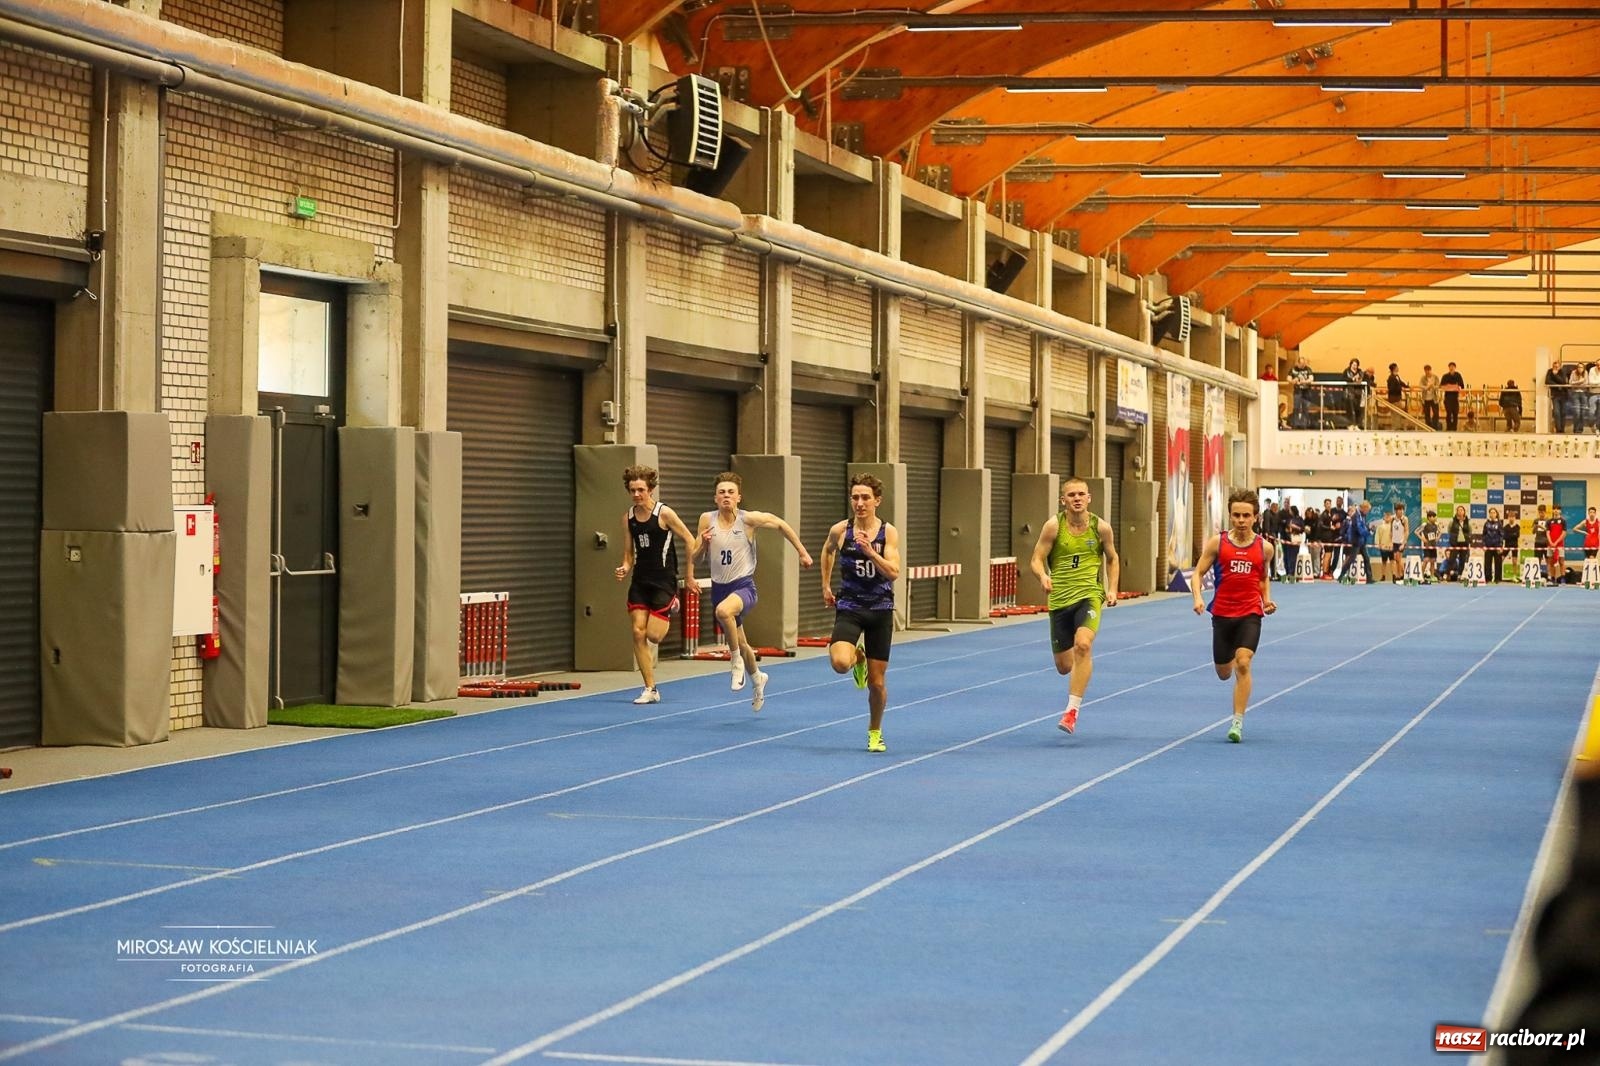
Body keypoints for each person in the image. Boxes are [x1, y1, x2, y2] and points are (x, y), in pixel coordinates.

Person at [695, 471, 813, 712]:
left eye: (731, 492)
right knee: (742, 642)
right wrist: (703, 545)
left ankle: (735, 661)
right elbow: (695, 557)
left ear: (739, 497)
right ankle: (758, 678)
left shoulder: (748, 520)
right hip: (719, 588)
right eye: (721, 492)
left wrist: (802, 551)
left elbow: (780, 524)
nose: (726, 496)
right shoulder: (707, 520)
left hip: (743, 587)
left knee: (723, 612)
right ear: (715, 498)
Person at [1030, 477, 1120, 735]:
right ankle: (1081, 669)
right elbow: (1036, 559)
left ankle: (1072, 711)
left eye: (1081, 494)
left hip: (1089, 595)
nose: (1077, 498)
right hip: (1060, 599)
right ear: (1063, 500)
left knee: (1083, 645)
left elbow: (1112, 558)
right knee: (1064, 666)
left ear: (1089, 498)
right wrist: (1043, 575)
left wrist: (1112, 588)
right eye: (1071, 495)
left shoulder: (1100, 528)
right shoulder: (1053, 526)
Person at [821, 474, 901, 752]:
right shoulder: (840, 530)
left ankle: (875, 731)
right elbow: (828, 551)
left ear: (877, 501)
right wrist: (825, 585)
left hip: (880, 609)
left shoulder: (888, 532)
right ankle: (858, 658)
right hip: (850, 606)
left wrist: (870, 552)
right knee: (839, 663)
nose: (860, 503)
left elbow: (893, 572)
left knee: (876, 684)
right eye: (855, 497)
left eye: (866, 497)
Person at [1192, 489, 1277, 744]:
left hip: (1250, 613)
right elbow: (1198, 573)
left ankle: (1237, 722)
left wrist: (1266, 600)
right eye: (1236, 515)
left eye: (1246, 516)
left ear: (1255, 517)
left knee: (1243, 663)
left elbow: (1262, 577)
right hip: (1222, 613)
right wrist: (1197, 597)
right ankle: (1227, 660)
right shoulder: (1217, 543)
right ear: (1230, 516)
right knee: (1223, 672)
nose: (1241, 520)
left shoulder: (1265, 548)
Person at [616, 465, 698, 705]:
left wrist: (689, 576)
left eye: (641, 490)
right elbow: (629, 554)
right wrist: (624, 567)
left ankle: (672, 603)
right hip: (640, 581)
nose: (636, 494)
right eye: (632, 490)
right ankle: (650, 688)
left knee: (654, 635)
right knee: (637, 632)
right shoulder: (628, 518)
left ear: (650, 489)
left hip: (664, 581)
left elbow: (690, 540)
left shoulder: (664, 513)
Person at [1336, 499, 1374, 583]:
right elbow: (1359, 530)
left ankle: (1369, 578)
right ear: (1364, 508)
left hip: (1362, 541)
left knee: (1367, 558)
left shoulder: (1362, 516)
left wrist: (1369, 529)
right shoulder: (1356, 516)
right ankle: (1341, 575)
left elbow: (1363, 527)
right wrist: (1368, 532)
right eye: (1368, 510)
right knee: (1351, 559)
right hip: (1356, 541)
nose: (1368, 512)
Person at [1446, 505, 1472, 582]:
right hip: (1455, 543)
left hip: (1464, 544)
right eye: (1459, 510)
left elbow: (1470, 532)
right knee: (1452, 559)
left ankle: (1460, 575)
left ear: (1464, 512)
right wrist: (1453, 538)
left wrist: (1467, 539)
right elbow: (1449, 530)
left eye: (1462, 510)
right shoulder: (1452, 521)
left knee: (1462, 560)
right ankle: (1447, 575)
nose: (1460, 511)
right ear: (1456, 512)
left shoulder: (1467, 522)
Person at [1289, 355, 1315, 428]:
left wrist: (1304, 381)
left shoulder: (1308, 369)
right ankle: (1295, 424)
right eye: (1301, 364)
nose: (1303, 365)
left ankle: (1304, 424)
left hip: (1306, 391)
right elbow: (1288, 378)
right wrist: (1293, 381)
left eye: (1304, 364)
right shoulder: (1293, 369)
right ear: (1298, 363)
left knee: (1305, 408)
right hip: (1297, 391)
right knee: (1296, 407)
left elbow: (1311, 378)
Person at [1482, 507, 1506, 584]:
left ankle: (1497, 579)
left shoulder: (1499, 524)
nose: (1492, 514)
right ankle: (1488, 578)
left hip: (1497, 547)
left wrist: (1500, 546)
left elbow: (1501, 535)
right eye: (1491, 513)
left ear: (1496, 514)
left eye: (1494, 512)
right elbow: (1484, 535)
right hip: (1488, 547)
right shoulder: (1486, 523)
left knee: (1498, 563)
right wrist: (1484, 545)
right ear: (1489, 514)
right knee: (1487, 563)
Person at [1388, 501, 1410, 584]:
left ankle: (1402, 575)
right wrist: (1390, 542)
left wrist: (1403, 543)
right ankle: (1397, 575)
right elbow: (1391, 531)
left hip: (1401, 541)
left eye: (1402, 510)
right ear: (1396, 511)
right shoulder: (1392, 518)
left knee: (1398, 558)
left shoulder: (1405, 519)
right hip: (1394, 541)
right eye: (1399, 510)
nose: (1401, 511)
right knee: (1395, 559)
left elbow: (1406, 531)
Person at [1440, 361, 1465, 431]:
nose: (1451, 368)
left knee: (1455, 413)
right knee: (1448, 413)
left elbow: (1462, 385)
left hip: (1455, 397)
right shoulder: (1445, 376)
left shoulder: (1458, 375)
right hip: (1448, 397)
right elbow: (1441, 386)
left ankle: (1454, 428)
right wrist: (1449, 386)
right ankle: (1448, 427)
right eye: (1450, 367)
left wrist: (1456, 386)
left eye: (1453, 367)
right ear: (1448, 368)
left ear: (1455, 367)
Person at [1547, 508, 1568, 586]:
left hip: (1560, 545)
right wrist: (1551, 542)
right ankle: (1552, 579)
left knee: (1561, 562)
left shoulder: (1563, 521)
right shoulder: (1549, 521)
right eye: (1554, 509)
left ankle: (1563, 579)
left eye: (1557, 509)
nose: (1556, 510)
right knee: (1551, 562)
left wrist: (1556, 542)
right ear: (1553, 511)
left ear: (1560, 511)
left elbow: (1564, 533)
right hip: (1550, 545)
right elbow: (1547, 533)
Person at [1419, 364, 1441, 430]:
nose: (1427, 372)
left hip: (1434, 398)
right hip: (1425, 398)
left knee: (1436, 413)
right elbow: (1420, 385)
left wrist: (1433, 387)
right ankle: (1428, 427)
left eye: (1428, 371)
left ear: (1430, 370)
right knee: (1427, 414)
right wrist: (1427, 387)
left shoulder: (1435, 377)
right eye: (1426, 371)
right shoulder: (1423, 378)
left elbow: (1438, 386)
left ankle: (1435, 427)